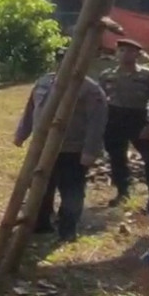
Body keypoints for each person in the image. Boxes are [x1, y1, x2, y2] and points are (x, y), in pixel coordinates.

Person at [16, 48, 107, 242]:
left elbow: (96, 122)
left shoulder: (89, 89)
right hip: (42, 148)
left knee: (71, 191)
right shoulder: (43, 82)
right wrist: (22, 134)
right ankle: (41, 224)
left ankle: (67, 229)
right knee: (41, 187)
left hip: (72, 150)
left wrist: (90, 151)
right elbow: (31, 110)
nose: (64, 64)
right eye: (61, 60)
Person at [98, 38, 149, 209]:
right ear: (116, 53)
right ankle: (122, 192)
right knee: (117, 158)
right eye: (121, 50)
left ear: (137, 54)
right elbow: (100, 101)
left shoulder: (146, 75)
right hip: (114, 119)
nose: (125, 54)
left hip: (139, 119)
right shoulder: (107, 75)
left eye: (130, 51)